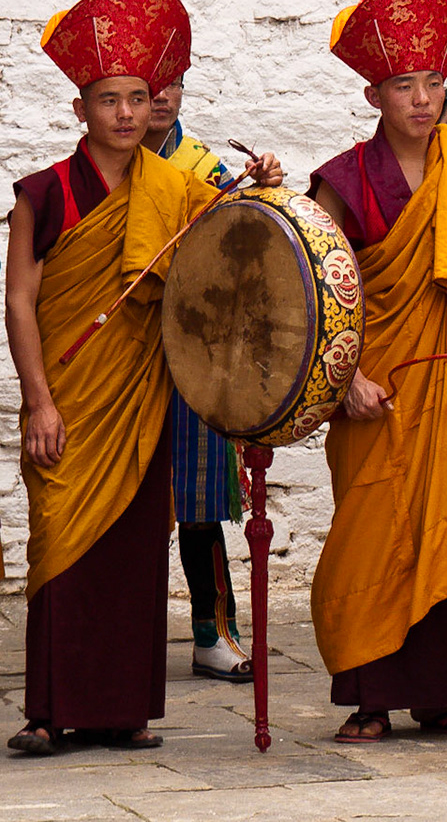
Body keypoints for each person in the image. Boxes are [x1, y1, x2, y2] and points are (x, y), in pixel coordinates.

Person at [8, 0, 280, 757]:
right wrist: (39, 403)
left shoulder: (177, 186)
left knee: (131, 555)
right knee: (58, 545)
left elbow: (238, 227)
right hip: (68, 399)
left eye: (138, 96)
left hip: (137, 402)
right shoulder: (46, 193)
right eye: (108, 98)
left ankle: (126, 707)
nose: (126, 112)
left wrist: (260, 179)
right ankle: (50, 709)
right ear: (79, 109)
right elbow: (21, 302)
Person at [308, 0, 447, 744]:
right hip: (374, 387)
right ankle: (371, 695)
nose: (424, 99)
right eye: (404, 84)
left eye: (434, 80)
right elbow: (320, 297)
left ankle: (444, 694)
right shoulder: (342, 179)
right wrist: (346, 379)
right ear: (374, 96)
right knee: (372, 530)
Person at [143, 80, 249, 685]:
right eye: (145, 85)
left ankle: (214, 633)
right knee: (122, 499)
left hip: (193, 349)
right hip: (127, 351)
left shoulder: (207, 169)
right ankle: (124, 633)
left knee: (201, 500)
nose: (159, 98)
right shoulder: (109, 168)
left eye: (171, 83)